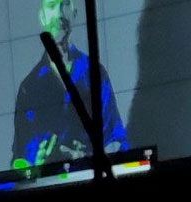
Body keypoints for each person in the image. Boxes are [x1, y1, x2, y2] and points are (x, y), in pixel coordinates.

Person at [11, 0, 128, 171]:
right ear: (42, 17)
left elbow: (118, 141)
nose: (59, 14)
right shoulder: (28, 87)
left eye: (64, 4)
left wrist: (88, 157)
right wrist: (37, 166)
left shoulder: (95, 73)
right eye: (52, 6)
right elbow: (19, 161)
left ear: (75, 13)